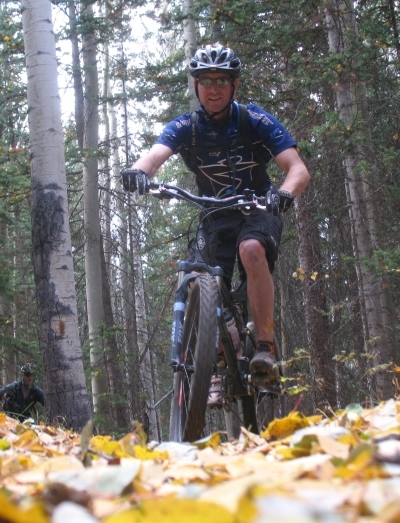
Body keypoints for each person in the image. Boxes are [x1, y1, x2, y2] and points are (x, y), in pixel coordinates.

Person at [121, 44, 310, 391]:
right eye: (205, 80)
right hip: (214, 216)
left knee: (252, 250)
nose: (213, 88)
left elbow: (297, 169)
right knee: (195, 280)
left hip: (257, 210)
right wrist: (137, 173)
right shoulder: (187, 127)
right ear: (195, 86)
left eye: (222, 80)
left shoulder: (255, 120)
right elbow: (153, 156)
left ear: (234, 85)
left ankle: (265, 347)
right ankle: (224, 355)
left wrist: (283, 194)